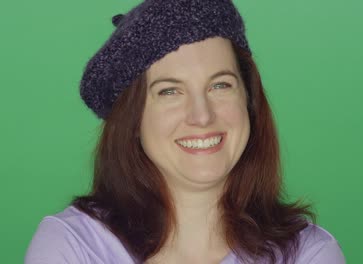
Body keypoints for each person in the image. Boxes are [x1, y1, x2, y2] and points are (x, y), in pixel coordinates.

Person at [25, 0, 346, 263]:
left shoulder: (308, 254)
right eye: (169, 91)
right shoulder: (71, 247)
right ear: (132, 120)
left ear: (249, 100)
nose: (202, 116)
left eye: (220, 85)